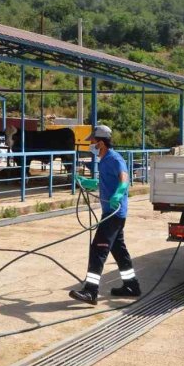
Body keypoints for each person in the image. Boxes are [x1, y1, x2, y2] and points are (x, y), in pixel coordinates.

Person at [70, 125, 137, 305]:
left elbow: (124, 178)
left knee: (98, 249)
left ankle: (91, 291)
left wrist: (118, 193)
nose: (91, 145)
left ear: (101, 142)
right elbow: (105, 182)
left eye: (93, 141)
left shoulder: (114, 159)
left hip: (114, 213)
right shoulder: (104, 159)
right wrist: (87, 182)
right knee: (118, 250)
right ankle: (131, 286)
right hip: (111, 212)